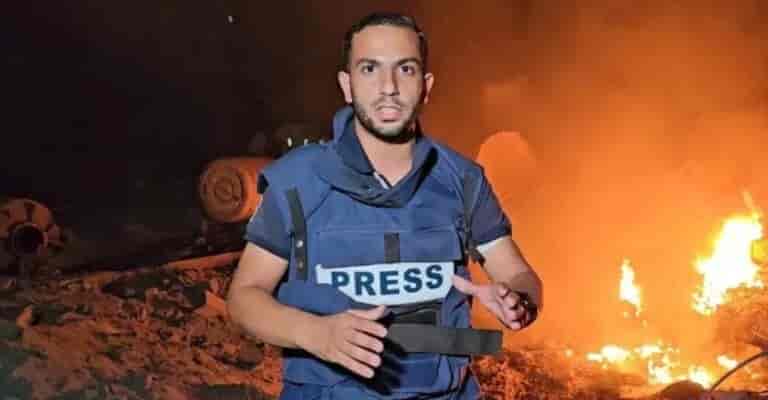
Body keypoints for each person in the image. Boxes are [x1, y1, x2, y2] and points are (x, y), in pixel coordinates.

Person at [227, 12, 543, 400]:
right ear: (347, 85)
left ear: (426, 86)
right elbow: (244, 296)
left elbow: (520, 276)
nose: (388, 87)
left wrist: (519, 301)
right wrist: (315, 333)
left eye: (405, 69)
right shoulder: (297, 183)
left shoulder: (462, 180)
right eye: (370, 68)